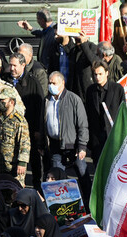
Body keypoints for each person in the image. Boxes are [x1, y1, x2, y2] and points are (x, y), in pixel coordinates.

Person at [44, 71, 91, 199]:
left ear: (62, 83)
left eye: (54, 83)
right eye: (49, 83)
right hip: (55, 147)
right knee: (58, 181)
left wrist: (82, 146)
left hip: (74, 147)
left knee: (83, 177)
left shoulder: (74, 99)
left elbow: (82, 124)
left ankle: (89, 205)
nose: (51, 85)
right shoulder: (47, 100)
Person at [5, 52, 45, 188]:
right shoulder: (5, 81)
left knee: (33, 158)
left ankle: (37, 186)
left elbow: (40, 107)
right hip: (9, 129)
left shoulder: (33, 82)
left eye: (15, 65)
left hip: (29, 129)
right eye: (10, 65)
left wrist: (38, 130)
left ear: (23, 65)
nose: (12, 69)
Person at [85, 60, 125, 164]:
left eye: (100, 74)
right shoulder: (90, 90)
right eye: (95, 74)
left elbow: (123, 113)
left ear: (107, 73)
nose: (97, 77)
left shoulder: (117, 89)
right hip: (96, 137)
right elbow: (88, 113)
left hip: (113, 136)